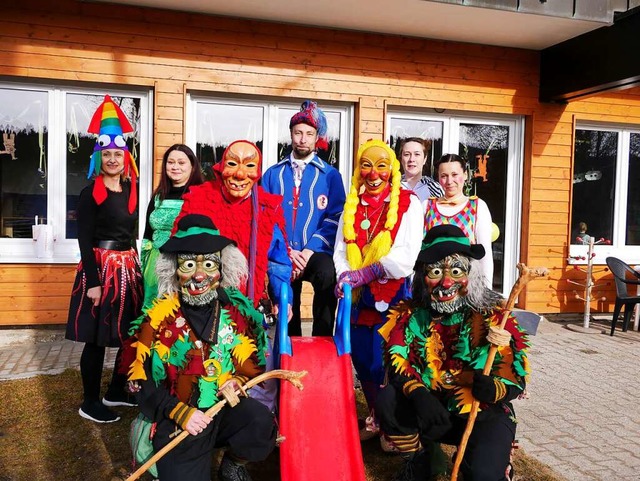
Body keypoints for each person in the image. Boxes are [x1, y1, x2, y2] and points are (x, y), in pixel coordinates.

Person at [125, 214, 275, 481]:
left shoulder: (236, 310)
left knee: (259, 421)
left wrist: (236, 382)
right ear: (173, 269)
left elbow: (252, 364)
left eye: (208, 264)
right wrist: (180, 412)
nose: (199, 275)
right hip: (179, 419)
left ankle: (233, 464)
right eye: (189, 265)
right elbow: (143, 383)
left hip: (222, 410)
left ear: (222, 268)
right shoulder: (156, 321)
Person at [376, 224, 529, 481]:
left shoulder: (495, 317)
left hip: (481, 412)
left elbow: (517, 379)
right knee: (389, 399)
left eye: (456, 271)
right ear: (423, 277)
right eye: (435, 272)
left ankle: (495, 464)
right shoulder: (410, 314)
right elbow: (396, 365)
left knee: (482, 475)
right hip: (432, 411)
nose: (446, 282)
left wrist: (494, 389)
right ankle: (420, 461)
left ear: (472, 273)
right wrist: (419, 395)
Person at [174, 140, 292, 411]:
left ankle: (257, 430)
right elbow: (177, 252)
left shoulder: (267, 208)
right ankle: (205, 422)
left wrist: (283, 296)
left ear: (258, 172)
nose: (240, 175)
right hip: (203, 310)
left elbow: (277, 261)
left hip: (250, 308)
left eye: (249, 166)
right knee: (205, 370)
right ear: (220, 168)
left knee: (258, 373)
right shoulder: (198, 200)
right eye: (232, 164)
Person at [333, 139, 423, 439]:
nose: (373, 174)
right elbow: (340, 251)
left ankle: (392, 424)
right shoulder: (352, 203)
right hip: (358, 300)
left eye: (381, 167)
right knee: (361, 358)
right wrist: (345, 277)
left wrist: (369, 271)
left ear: (392, 170)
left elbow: (406, 256)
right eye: (366, 166)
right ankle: (375, 415)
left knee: (386, 362)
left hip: (393, 298)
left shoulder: (410, 203)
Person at [65, 94, 142, 423]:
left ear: (125, 157)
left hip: (128, 269)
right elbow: (83, 240)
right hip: (100, 271)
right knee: (97, 339)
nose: (113, 159)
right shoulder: (89, 193)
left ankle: (116, 391)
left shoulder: (131, 189)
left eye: (117, 154)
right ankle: (90, 401)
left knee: (128, 333)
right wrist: (94, 284)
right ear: (99, 157)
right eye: (107, 154)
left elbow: (133, 234)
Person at [262, 100, 346, 337]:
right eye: (298, 133)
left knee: (327, 273)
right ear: (291, 134)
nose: (302, 139)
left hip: (314, 253)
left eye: (308, 134)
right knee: (287, 297)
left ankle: (323, 342)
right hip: (283, 252)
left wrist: (309, 251)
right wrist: (286, 251)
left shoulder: (330, 175)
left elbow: (335, 217)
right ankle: (290, 351)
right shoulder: (273, 174)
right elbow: (266, 216)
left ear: (316, 137)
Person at [134, 144, 204, 331]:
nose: (175, 167)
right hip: (154, 267)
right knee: (153, 317)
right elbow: (147, 235)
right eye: (171, 162)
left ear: (192, 166)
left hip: (185, 265)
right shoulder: (158, 196)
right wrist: (143, 268)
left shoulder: (200, 195)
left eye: (181, 162)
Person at [425, 153, 493, 288]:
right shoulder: (426, 206)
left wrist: (486, 292)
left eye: (455, 175)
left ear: (465, 175)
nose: (449, 181)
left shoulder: (477, 207)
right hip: (433, 286)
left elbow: (485, 255)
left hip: (467, 286)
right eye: (444, 176)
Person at [398, 137, 444, 203]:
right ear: (401, 159)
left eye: (417, 154)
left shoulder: (435, 188)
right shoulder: (393, 186)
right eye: (407, 154)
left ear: (424, 159)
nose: (411, 159)